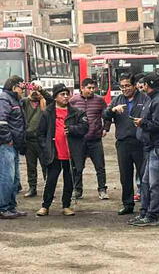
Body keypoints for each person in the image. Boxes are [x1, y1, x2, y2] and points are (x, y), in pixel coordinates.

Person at [129, 72, 159, 227]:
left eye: (144, 84)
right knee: (146, 182)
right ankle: (145, 213)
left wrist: (142, 123)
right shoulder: (153, 98)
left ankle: (152, 215)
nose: (142, 87)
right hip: (152, 147)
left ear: (148, 85)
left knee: (155, 183)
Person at [36, 84, 88, 217]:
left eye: (67, 94)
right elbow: (40, 133)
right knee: (51, 180)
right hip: (54, 153)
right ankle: (45, 206)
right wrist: (45, 147)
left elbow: (84, 128)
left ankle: (66, 205)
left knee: (69, 180)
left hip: (71, 154)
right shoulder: (47, 113)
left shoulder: (77, 112)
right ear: (55, 97)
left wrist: (72, 129)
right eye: (62, 94)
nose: (65, 97)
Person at [103, 73, 147, 215]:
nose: (125, 89)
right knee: (125, 176)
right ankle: (128, 204)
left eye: (127, 85)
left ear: (134, 85)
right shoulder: (117, 100)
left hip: (140, 142)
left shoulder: (144, 99)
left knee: (144, 175)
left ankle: (146, 206)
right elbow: (105, 115)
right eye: (122, 86)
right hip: (123, 143)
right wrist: (112, 110)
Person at [69, 78, 108, 200]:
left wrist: (105, 128)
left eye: (93, 88)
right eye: (89, 88)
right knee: (77, 167)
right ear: (82, 88)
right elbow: (68, 117)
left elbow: (107, 116)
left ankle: (102, 189)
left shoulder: (100, 101)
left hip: (95, 139)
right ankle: (77, 190)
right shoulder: (73, 101)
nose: (91, 90)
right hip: (79, 140)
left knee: (100, 167)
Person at [0, 76, 27, 219]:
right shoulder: (4, 99)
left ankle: (11, 206)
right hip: (6, 145)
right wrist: (8, 140)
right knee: (7, 177)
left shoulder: (16, 100)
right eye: (22, 88)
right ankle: (3, 208)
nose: (23, 91)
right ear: (14, 87)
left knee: (15, 178)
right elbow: (1, 122)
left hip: (14, 145)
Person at [20, 81, 50, 198]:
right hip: (29, 140)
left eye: (37, 90)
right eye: (33, 89)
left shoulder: (45, 102)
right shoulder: (25, 102)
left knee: (45, 165)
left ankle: (48, 188)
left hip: (42, 140)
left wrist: (41, 91)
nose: (35, 93)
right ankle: (32, 188)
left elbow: (50, 98)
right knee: (30, 166)